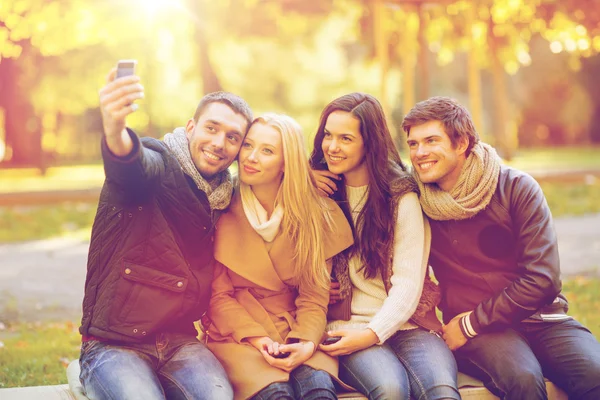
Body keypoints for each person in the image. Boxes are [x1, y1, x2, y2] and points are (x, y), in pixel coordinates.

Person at [402, 96, 600, 400]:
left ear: (461, 144)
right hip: (482, 333)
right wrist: (318, 178)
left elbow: (543, 279)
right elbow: (370, 183)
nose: (420, 153)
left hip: (538, 318)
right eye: (413, 144)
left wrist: (470, 323)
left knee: (594, 373)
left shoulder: (516, 187)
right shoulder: (415, 199)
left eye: (431, 140)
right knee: (523, 379)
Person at [78, 68, 253, 400]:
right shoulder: (158, 165)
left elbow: (275, 186)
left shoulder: (225, 196)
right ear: (191, 128)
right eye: (212, 128)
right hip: (114, 342)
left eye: (233, 137)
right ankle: (89, 374)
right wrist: (115, 129)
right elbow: (131, 165)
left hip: (178, 342)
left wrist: (309, 183)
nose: (219, 143)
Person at [309, 93, 460, 400]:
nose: (332, 147)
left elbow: (407, 282)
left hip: (408, 324)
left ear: (370, 143)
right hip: (346, 325)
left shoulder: (401, 196)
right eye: (328, 135)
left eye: (346, 138)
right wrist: (301, 178)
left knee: (441, 392)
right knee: (390, 389)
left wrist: (372, 333)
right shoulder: (318, 192)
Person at [204, 113, 354, 400]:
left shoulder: (314, 214)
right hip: (239, 335)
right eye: (248, 145)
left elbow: (314, 297)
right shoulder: (219, 207)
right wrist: (258, 340)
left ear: (287, 163)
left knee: (319, 391)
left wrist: (307, 343)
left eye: (267, 150)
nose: (251, 157)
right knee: (276, 394)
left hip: (298, 327)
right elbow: (217, 298)